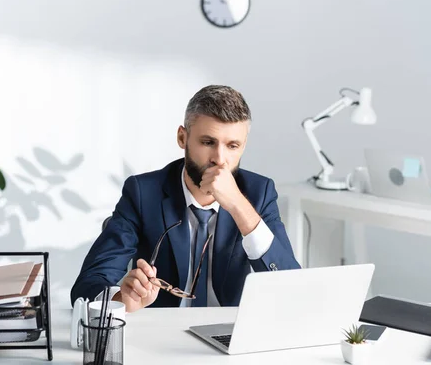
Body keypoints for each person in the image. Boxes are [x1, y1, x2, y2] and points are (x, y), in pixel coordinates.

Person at [70, 85, 300, 313]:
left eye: (232, 146)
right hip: (161, 336)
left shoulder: (260, 193)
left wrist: (239, 206)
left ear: (243, 146)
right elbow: (87, 286)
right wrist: (122, 299)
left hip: (230, 335)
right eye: (208, 142)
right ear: (182, 137)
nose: (220, 159)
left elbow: (292, 290)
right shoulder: (142, 193)